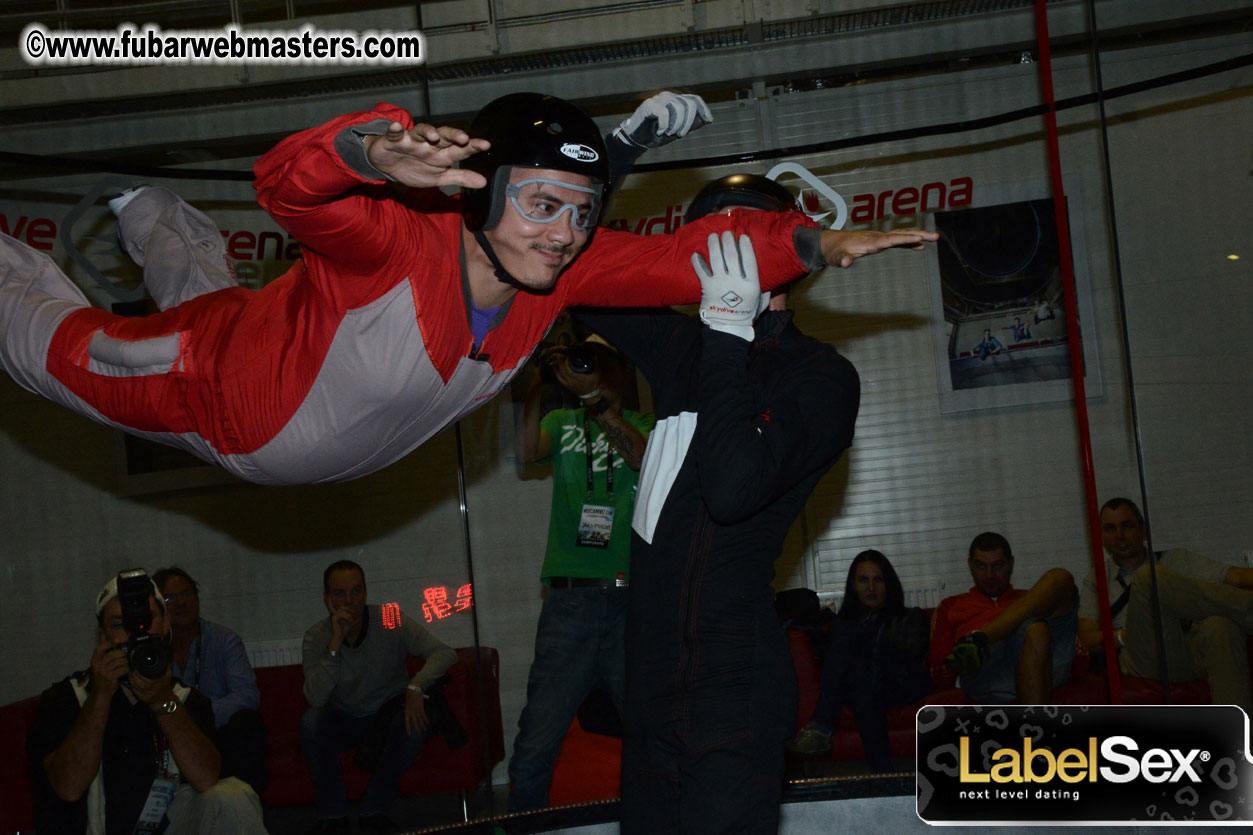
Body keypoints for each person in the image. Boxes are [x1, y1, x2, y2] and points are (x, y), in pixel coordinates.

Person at [0, 92, 936, 486]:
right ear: (482, 196)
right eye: (541, 206)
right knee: (58, 346)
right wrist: (369, 147)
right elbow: (288, 186)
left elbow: (693, 254)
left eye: (580, 211)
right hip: (233, 404)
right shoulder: (393, 244)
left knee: (220, 294)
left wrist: (812, 240)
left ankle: (147, 210)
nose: (565, 233)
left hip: (283, 345)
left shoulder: (557, 272)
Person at [577, 173, 862, 834]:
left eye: (741, 242)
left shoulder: (819, 377)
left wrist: (729, 335)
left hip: (730, 691)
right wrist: (605, 167)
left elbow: (733, 489)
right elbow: (565, 267)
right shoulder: (685, 348)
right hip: (649, 689)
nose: (719, 261)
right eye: (707, 246)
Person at [507, 336, 652, 812]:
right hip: (569, 605)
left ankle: (660, 817)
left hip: (626, 601)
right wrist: (537, 386)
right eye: (586, 362)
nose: (593, 369)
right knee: (538, 733)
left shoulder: (643, 424)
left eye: (601, 363)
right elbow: (525, 453)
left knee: (649, 728)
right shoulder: (560, 422)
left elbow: (641, 460)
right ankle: (522, 823)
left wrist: (596, 402)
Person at [25, 571, 266, 834]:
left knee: (233, 796)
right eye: (119, 624)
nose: (133, 634)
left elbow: (206, 776)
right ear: (103, 635)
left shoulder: (182, 700)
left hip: (168, 826)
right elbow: (68, 787)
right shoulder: (68, 698)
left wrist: (163, 701)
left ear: (164, 624)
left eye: (144, 621)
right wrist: (100, 696)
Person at [301, 559, 458, 835]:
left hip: (387, 716)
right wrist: (335, 643)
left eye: (356, 591)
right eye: (340, 593)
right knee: (311, 721)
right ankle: (332, 814)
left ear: (365, 592)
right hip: (345, 717)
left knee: (413, 724)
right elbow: (315, 697)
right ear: (327, 599)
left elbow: (444, 652)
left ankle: (374, 810)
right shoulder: (317, 636)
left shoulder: (389, 618)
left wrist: (416, 686)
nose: (350, 600)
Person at [1077, 497, 1253, 713]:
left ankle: (1241, 740)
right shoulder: (1097, 579)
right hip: (1140, 659)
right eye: (1111, 529)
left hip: (1185, 651)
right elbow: (1087, 639)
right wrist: (1124, 635)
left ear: (1142, 529)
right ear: (1102, 537)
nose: (1120, 536)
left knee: (1220, 627)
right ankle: (1249, 611)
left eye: (1127, 526)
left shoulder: (1176, 560)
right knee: (1146, 577)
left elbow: (1236, 577)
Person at [786, 550, 931, 771]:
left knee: (856, 658)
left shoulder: (912, 617)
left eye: (878, 580)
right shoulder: (844, 626)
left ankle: (820, 727)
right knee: (859, 674)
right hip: (863, 685)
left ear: (888, 583)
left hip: (902, 684)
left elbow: (907, 659)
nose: (871, 588)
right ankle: (883, 773)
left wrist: (864, 635)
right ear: (854, 585)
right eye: (863, 580)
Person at [153, 566, 268, 794]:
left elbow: (248, 696)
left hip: (219, 731)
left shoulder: (224, 640)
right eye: (170, 598)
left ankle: (250, 810)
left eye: (186, 594)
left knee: (248, 723)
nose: (181, 603)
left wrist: (200, 714)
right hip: (173, 737)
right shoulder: (152, 651)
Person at [930, 531, 1078, 704]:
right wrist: (957, 664)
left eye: (998, 566)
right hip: (988, 670)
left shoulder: (1032, 599)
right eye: (981, 566)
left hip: (1043, 661)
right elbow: (937, 669)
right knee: (1035, 628)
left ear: (1010, 564)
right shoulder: (951, 605)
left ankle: (979, 638)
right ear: (970, 565)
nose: (989, 575)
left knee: (1059, 578)